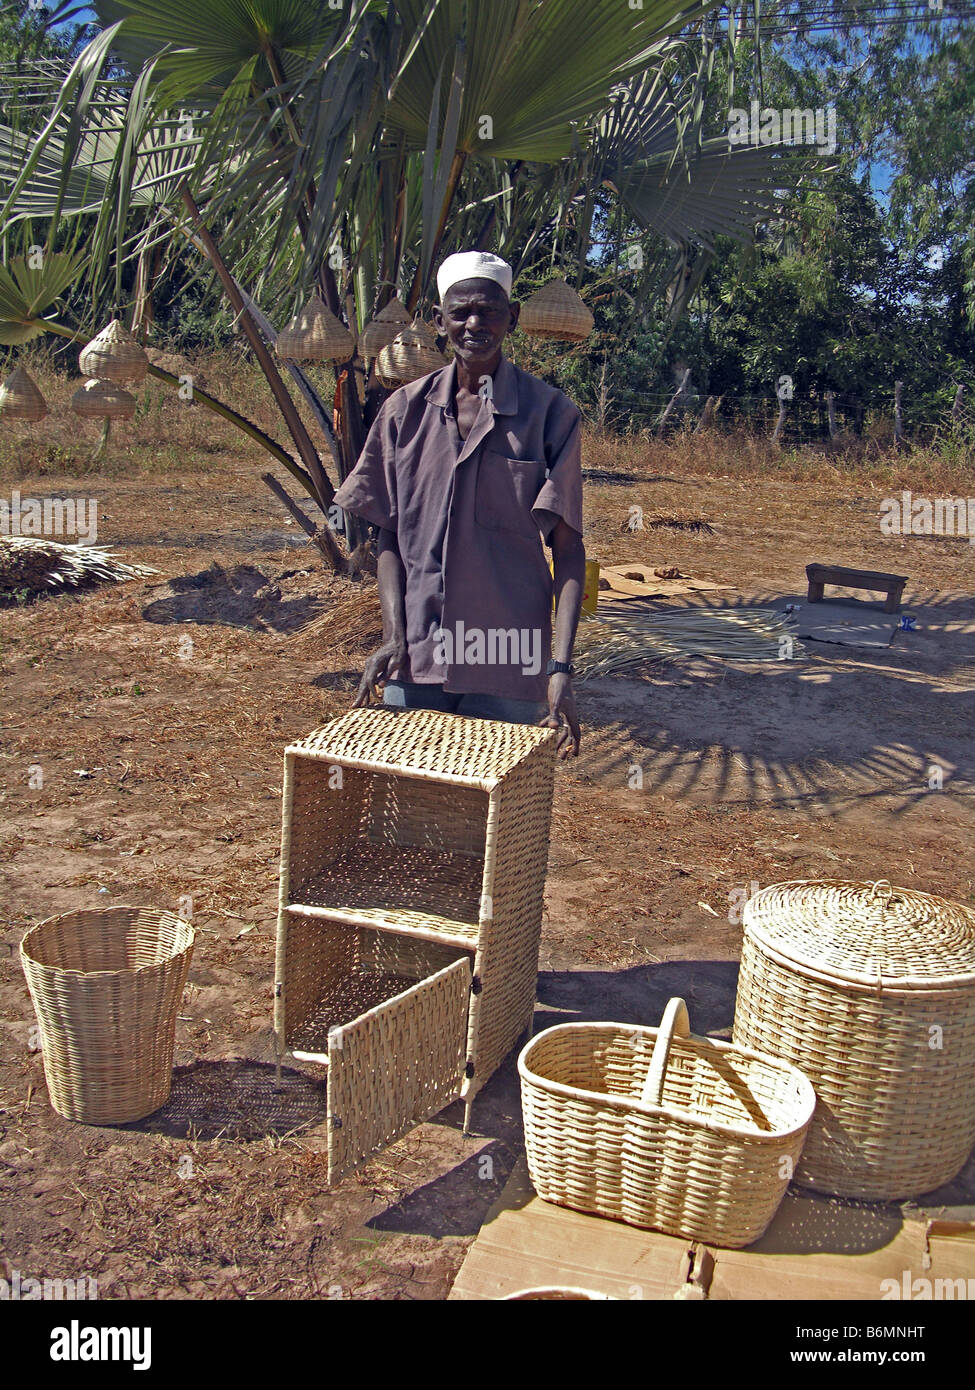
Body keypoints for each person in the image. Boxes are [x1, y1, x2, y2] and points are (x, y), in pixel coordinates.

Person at [332, 250, 585, 757]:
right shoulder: (402, 413)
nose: (475, 323)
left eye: (489, 310)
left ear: (510, 318)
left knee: (496, 818)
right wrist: (393, 636)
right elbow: (388, 536)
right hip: (418, 653)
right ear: (438, 320)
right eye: (460, 311)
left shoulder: (551, 415)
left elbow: (569, 550)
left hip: (509, 657)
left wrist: (560, 666)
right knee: (412, 804)